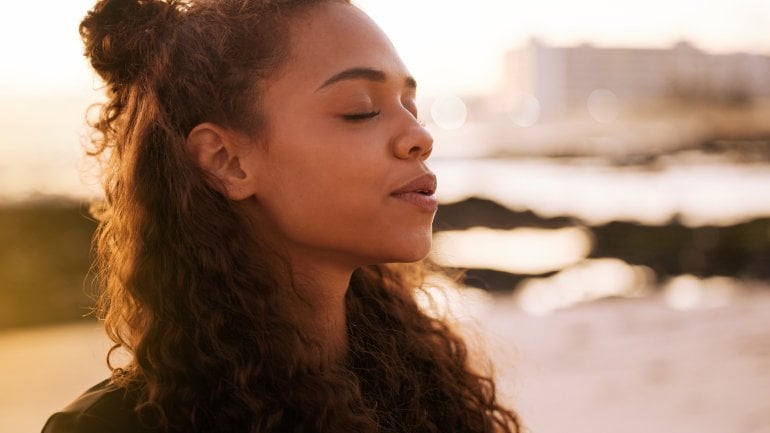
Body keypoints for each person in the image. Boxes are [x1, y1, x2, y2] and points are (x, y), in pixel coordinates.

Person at [42, 0, 521, 432]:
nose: (420, 136)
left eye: (410, 106)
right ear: (227, 161)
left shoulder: (424, 389)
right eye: (361, 109)